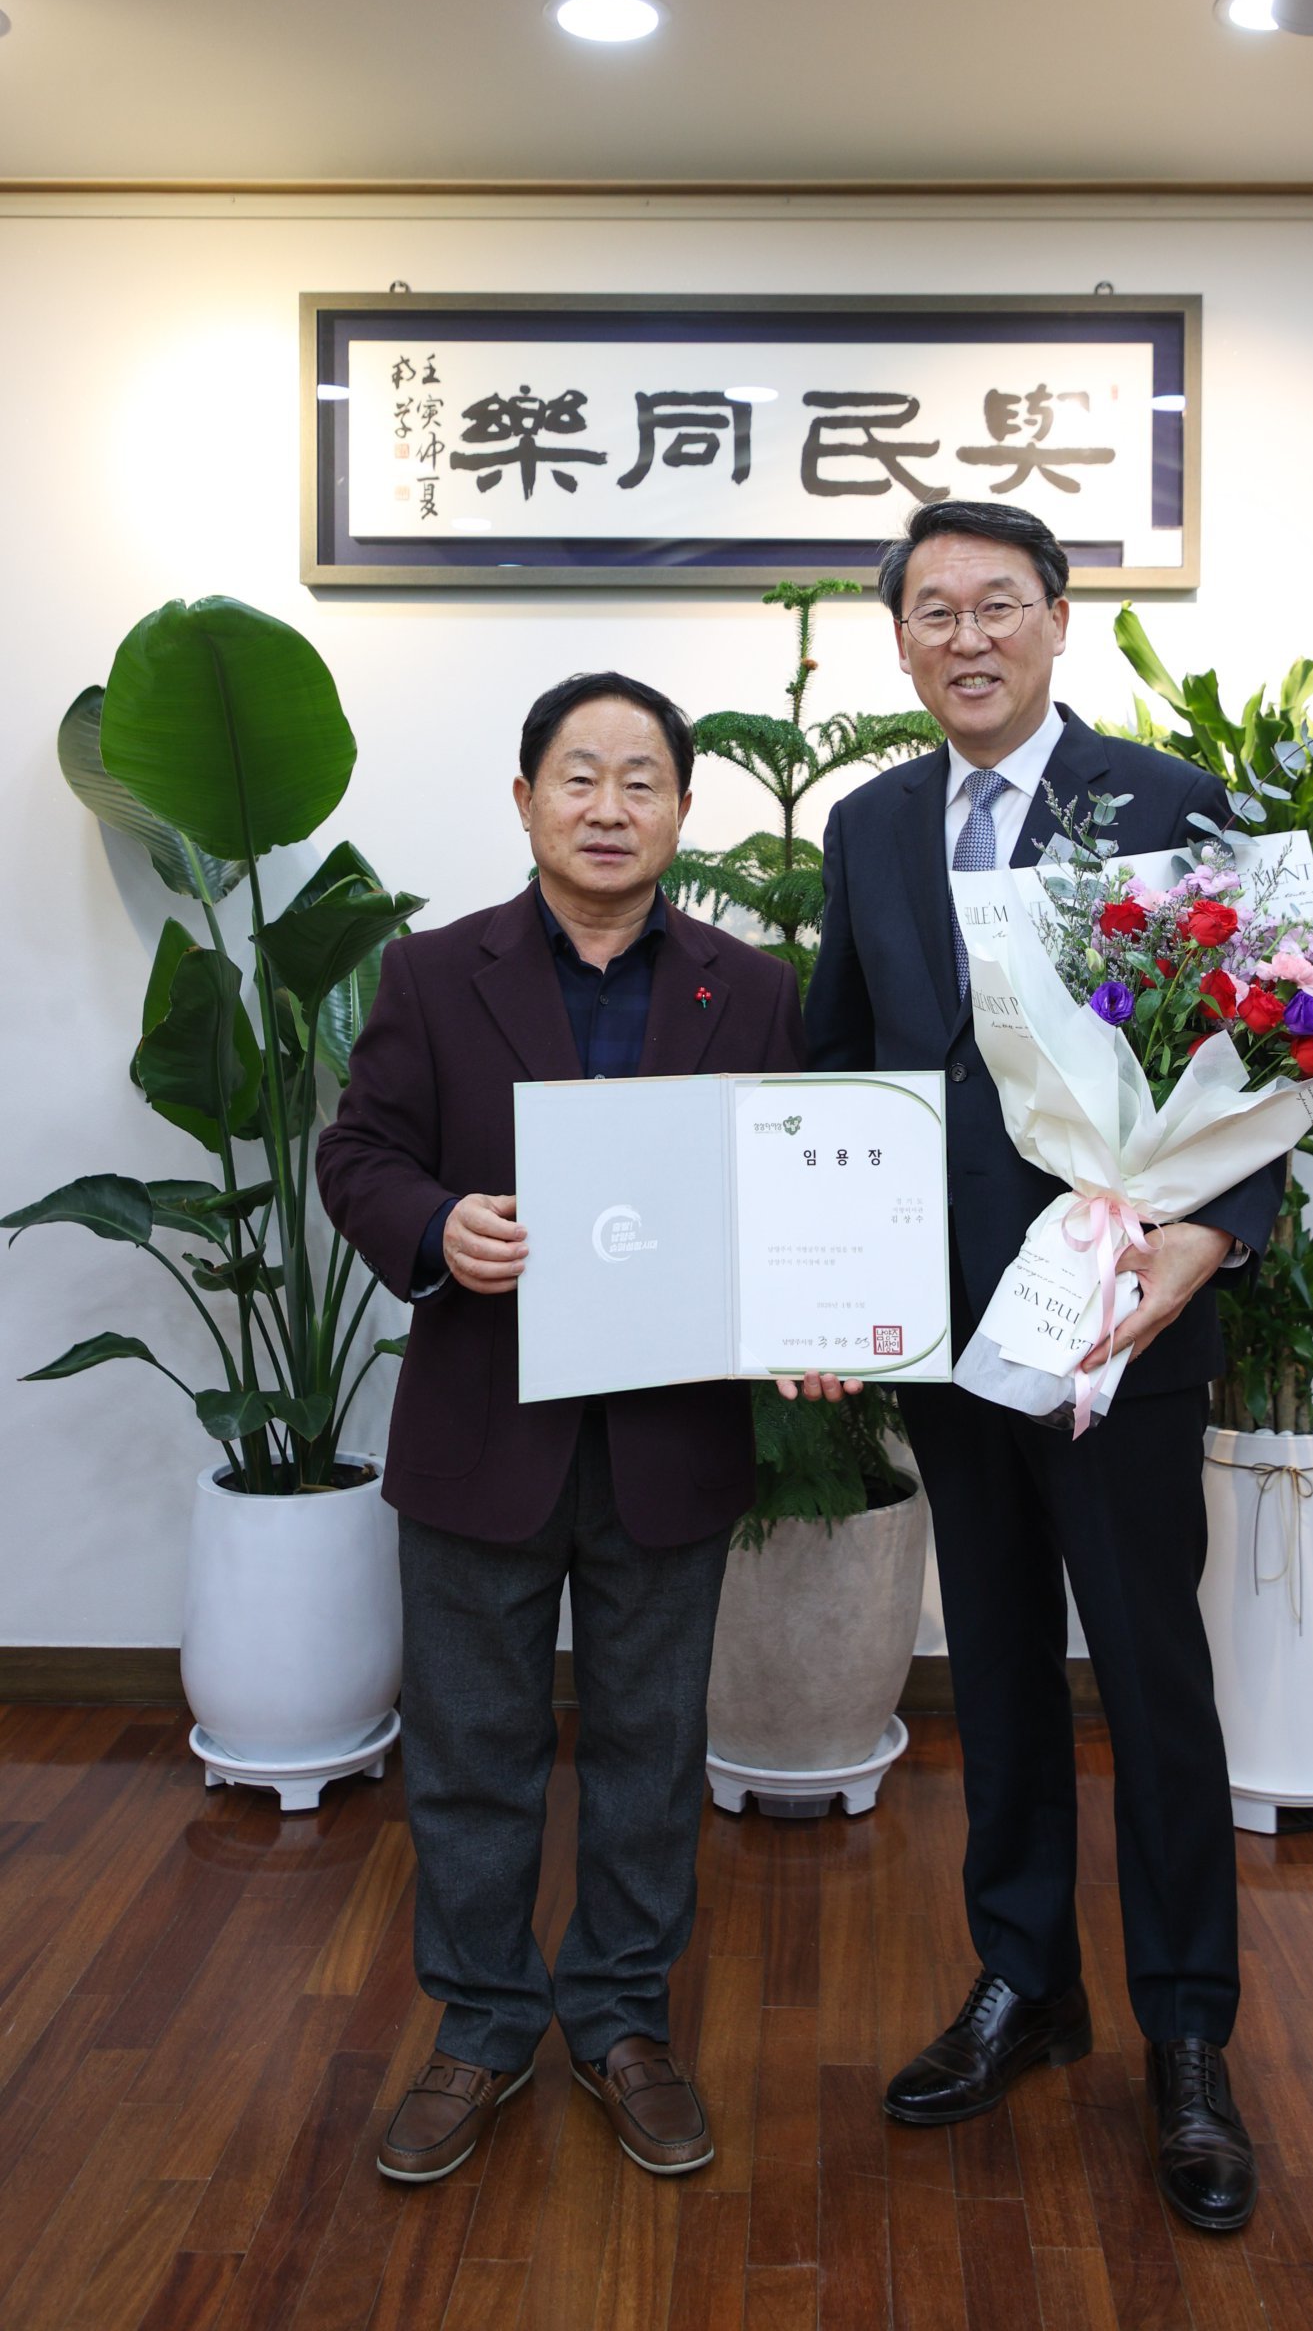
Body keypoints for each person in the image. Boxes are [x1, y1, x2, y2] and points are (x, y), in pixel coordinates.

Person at [803, 499, 1282, 2233]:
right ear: (903, 641)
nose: (967, 636)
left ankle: (1189, 2037)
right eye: (932, 610)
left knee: (1153, 1681)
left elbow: (1265, 1037)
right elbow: (844, 1064)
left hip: (1120, 1321)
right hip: (947, 1332)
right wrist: (821, 1303)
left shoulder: (1166, 801)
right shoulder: (871, 824)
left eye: (998, 602)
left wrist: (1214, 1235)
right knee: (996, 1668)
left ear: (1060, 618)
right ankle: (1025, 1984)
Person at [317, 670, 803, 2187]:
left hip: (670, 1436)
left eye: (641, 779)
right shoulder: (430, 972)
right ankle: (480, 2026)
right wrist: (434, 1225)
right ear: (526, 801)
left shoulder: (750, 990)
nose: (609, 806)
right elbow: (360, 1151)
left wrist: (817, 1317)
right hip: (484, 1429)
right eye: (578, 776)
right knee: (472, 1748)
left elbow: (790, 1189)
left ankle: (622, 2020)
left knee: (653, 1750)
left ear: (681, 809)